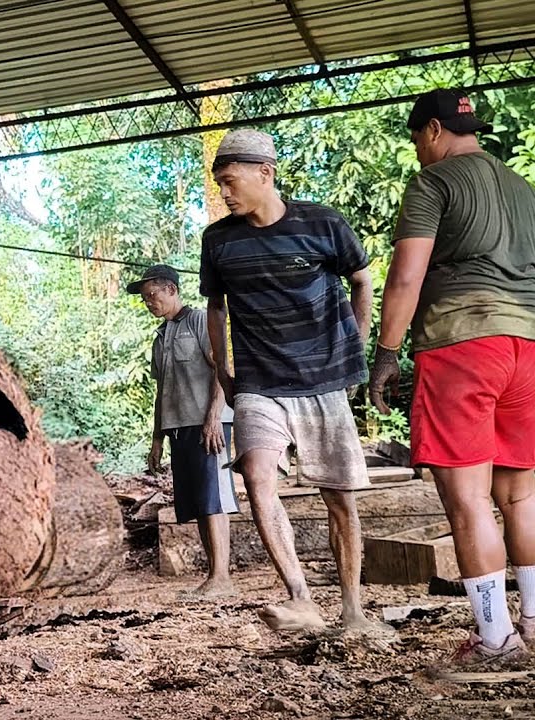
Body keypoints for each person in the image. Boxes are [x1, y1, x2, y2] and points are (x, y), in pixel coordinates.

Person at [370, 89, 535, 664]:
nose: (418, 151)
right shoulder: (521, 186)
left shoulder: (432, 183)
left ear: (434, 130)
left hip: (462, 343)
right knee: (520, 496)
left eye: (417, 139)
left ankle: (495, 639)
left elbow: (406, 277)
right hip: (527, 344)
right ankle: (534, 622)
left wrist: (387, 351)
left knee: (467, 502)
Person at [200, 129, 384, 632]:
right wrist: (222, 366)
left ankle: (352, 610)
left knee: (338, 498)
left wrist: (357, 344)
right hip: (260, 382)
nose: (225, 193)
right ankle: (300, 597)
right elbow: (215, 308)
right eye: (220, 185)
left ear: (266, 173)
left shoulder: (322, 223)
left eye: (231, 181)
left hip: (324, 381)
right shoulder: (217, 240)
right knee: (257, 476)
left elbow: (362, 279)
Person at [131, 264, 238, 596]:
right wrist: (156, 440)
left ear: (172, 290)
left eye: (153, 296)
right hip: (179, 428)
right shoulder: (160, 337)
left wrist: (213, 418)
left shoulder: (200, 322)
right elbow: (162, 391)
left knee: (214, 499)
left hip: (210, 425)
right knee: (197, 503)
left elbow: (223, 371)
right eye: (145, 299)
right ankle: (214, 575)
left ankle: (223, 578)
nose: (149, 303)